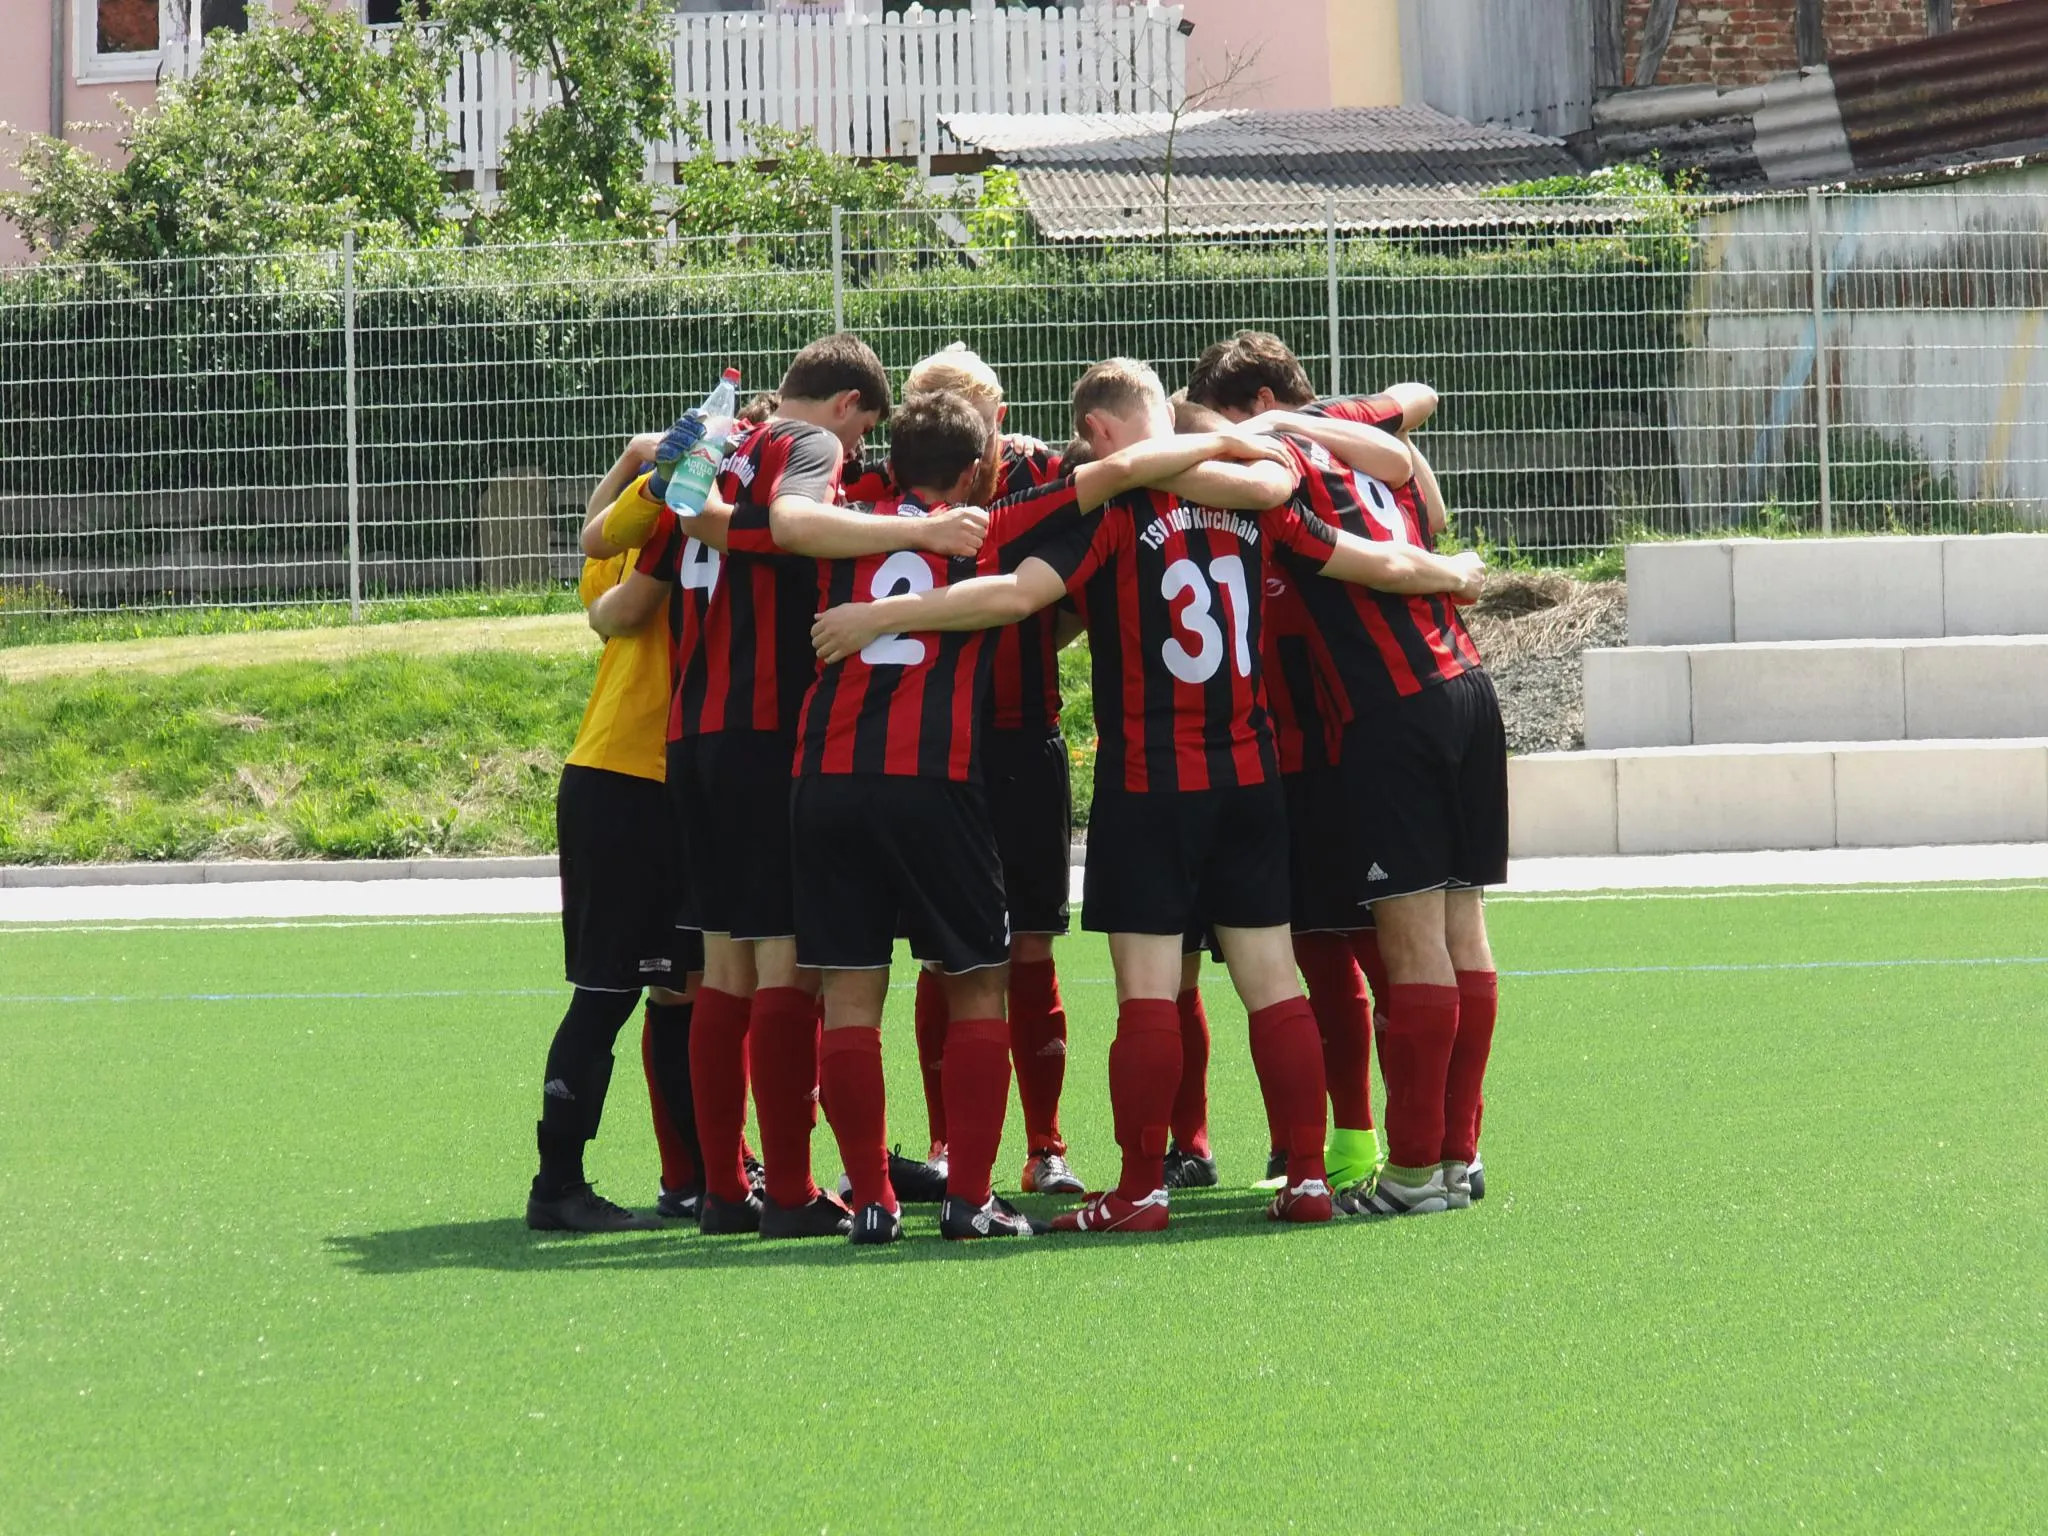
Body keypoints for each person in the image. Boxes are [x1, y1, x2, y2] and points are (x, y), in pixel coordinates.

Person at [812, 358, 1486, 1234]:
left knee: (1148, 991)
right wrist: (1450, 572)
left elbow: (1019, 597)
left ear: (1098, 433)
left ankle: (1139, 1190)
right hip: (1251, 772)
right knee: (1274, 982)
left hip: (1150, 779)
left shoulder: (1112, 507)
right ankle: (1308, 1178)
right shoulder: (1257, 493)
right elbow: (1363, 544)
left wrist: (878, 618)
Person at [795, 392, 1286, 1244]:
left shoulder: (840, 524)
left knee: (848, 998)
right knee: (982, 983)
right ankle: (969, 1199)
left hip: (824, 778)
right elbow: (1124, 470)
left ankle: (872, 1201)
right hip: (934, 779)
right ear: (977, 468)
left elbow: (782, 521)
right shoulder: (991, 522)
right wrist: (1245, 443)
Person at [1188, 330, 1505, 1216]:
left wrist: (1234, 442)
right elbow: (1412, 432)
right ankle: (1456, 1156)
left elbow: (1390, 560)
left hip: (1390, 712)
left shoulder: (1281, 479)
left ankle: (1414, 1172)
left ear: (1251, 414)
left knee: (1413, 950)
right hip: (1467, 685)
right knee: (1464, 937)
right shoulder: (1351, 435)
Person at [842, 343, 1089, 1201]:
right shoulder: (889, 488)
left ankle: (1045, 1144)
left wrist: (1026, 643)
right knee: (943, 957)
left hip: (1021, 737)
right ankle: (950, 1145)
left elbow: (1071, 595)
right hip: (928, 752)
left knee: (1031, 945)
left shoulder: (1043, 476)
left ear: (999, 422)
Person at [524, 429, 707, 1233]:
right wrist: (642, 469)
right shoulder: (671, 526)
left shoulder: (658, 524)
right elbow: (612, 596)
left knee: (678, 986)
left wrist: (633, 461)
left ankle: (698, 1175)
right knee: (607, 993)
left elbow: (593, 550)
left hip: (665, 778)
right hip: (626, 778)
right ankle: (557, 1183)